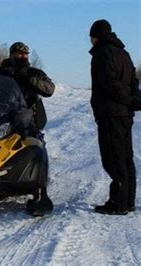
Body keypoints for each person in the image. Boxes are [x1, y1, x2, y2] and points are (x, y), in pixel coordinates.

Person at [89, 19, 137, 215]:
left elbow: (109, 83)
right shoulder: (124, 53)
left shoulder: (102, 53)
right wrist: (134, 100)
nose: (90, 41)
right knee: (126, 157)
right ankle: (128, 200)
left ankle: (119, 203)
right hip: (125, 114)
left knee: (113, 158)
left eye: (91, 37)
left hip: (111, 113)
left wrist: (127, 100)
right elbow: (133, 80)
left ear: (96, 36)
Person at [0, 42, 55, 137]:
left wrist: (31, 80)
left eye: (26, 54)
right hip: (1, 116)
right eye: (19, 53)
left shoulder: (35, 73)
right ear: (12, 54)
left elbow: (49, 89)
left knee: (33, 145)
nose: (23, 56)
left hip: (27, 119)